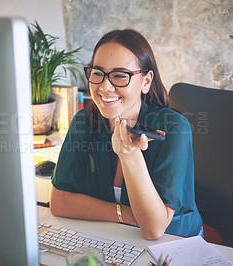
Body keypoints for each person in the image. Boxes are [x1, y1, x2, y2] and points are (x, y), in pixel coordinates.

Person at [50, 29, 203, 240]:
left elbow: (153, 229)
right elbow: (59, 203)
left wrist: (130, 155)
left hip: (176, 243)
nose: (104, 86)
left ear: (146, 81)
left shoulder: (174, 127)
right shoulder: (83, 122)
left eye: (120, 76)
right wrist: (127, 215)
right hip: (115, 235)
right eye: (97, 73)